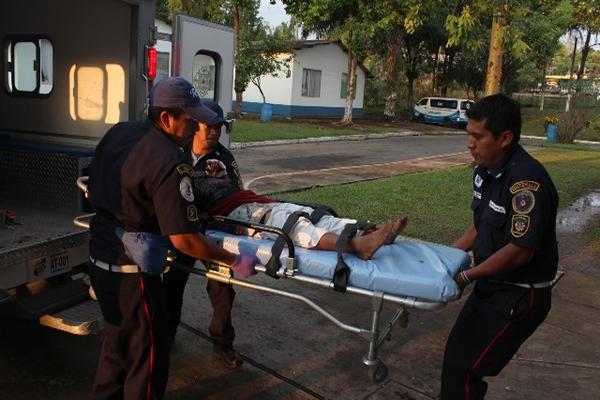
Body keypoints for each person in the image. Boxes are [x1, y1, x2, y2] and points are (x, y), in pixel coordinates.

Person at [87, 77, 258, 400]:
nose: (196, 128)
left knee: (116, 349)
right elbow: (184, 240)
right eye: (190, 119)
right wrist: (235, 260)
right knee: (147, 363)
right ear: (166, 118)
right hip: (131, 278)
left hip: (100, 259)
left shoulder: (120, 133)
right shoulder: (170, 159)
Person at [440, 94, 559, 399]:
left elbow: (520, 250)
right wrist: (446, 258)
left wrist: (466, 275)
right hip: (492, 285)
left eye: (478, 136)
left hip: (520, 294)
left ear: (505, 138)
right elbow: (481, 224)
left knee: (464, 367)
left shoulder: (526, 183)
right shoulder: (485, 171)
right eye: (469, 135)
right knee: (457, 355)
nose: (470, 143)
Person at [163, 101, 246, 369]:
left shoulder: (225, 159)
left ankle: (223, 344)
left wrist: (223, 185)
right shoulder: (177, 151)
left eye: (218, 127)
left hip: (214, 234)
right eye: (208, 126)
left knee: (222, 290)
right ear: (195, 125)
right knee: (172, 285)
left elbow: (238, 200)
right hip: (183, 232)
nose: (214, 132)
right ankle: (166, 336)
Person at [194, 176, 408, 260]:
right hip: (241, 214)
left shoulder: (218, 159)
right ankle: (356, 246)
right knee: (294, 226)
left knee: (313, 217)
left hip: (260, 202)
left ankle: (368, 230)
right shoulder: (182, 174)